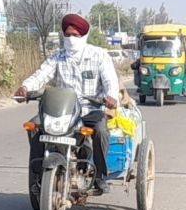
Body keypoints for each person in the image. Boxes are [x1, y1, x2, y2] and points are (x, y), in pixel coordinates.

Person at [15, 13, 119, 194]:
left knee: (101, 131)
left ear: (84, 36)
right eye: (68, 34)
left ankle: (100, 176)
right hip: (61, 110)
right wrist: (25, 87)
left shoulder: (99, 56)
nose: (71, 39)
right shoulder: (57, 57)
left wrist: (111, 97)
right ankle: (37, 176)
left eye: (75, 35)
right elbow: (41, 75)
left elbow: (110, 81)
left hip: (89, 109)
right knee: (34, 127)